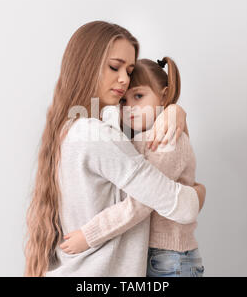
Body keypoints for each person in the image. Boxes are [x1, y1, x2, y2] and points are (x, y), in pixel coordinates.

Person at [24, 21, 200, 277]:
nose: (124, 80)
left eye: (129, 71)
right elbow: (181, 207)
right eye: (114, 67)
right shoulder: (98, 135)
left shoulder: (71, 129)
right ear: (86, 65)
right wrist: (198, 192)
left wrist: (172, 109)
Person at [59, 57, 206, 277]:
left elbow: (142, 202)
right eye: (124, 102)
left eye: (138, 96)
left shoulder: (165, 140)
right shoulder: (134, 138)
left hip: (169, 257)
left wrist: (89, 235)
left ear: (164, 95)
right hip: (153, 255)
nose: (130, 108)